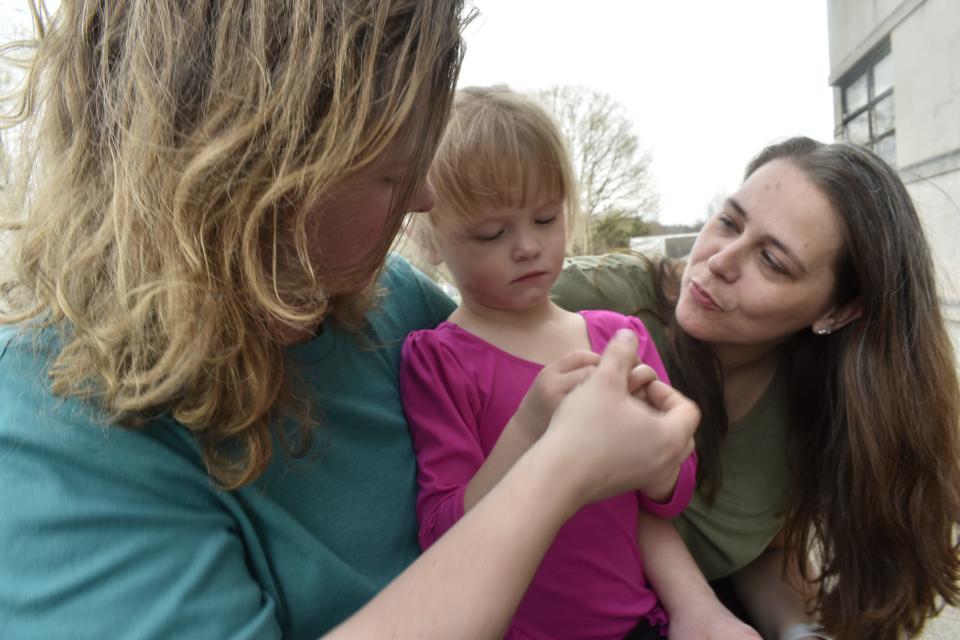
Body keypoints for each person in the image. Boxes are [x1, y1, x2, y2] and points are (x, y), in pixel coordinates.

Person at [0, 2, 700, 638]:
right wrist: (561, 470)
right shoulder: (51, 421)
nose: (426, 197)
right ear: (249, 178)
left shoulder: (387, 296)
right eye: (392, 174)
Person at [552, 136, 960, 640]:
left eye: (772, 261)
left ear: (836, 311)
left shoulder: (820, 403)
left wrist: (798, 632)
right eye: (729, 222)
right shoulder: (590, 300)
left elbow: (769, 550)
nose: (720, 260)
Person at [400, 85, 697, 640]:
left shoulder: (619, 339)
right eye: (492, 231)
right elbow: (443, 535)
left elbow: (670, 498)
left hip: (637, 623)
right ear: (429, 236)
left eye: (545, 218)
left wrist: (663, 451)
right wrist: (527, 429)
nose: (528, 247)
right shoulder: (440, 361)